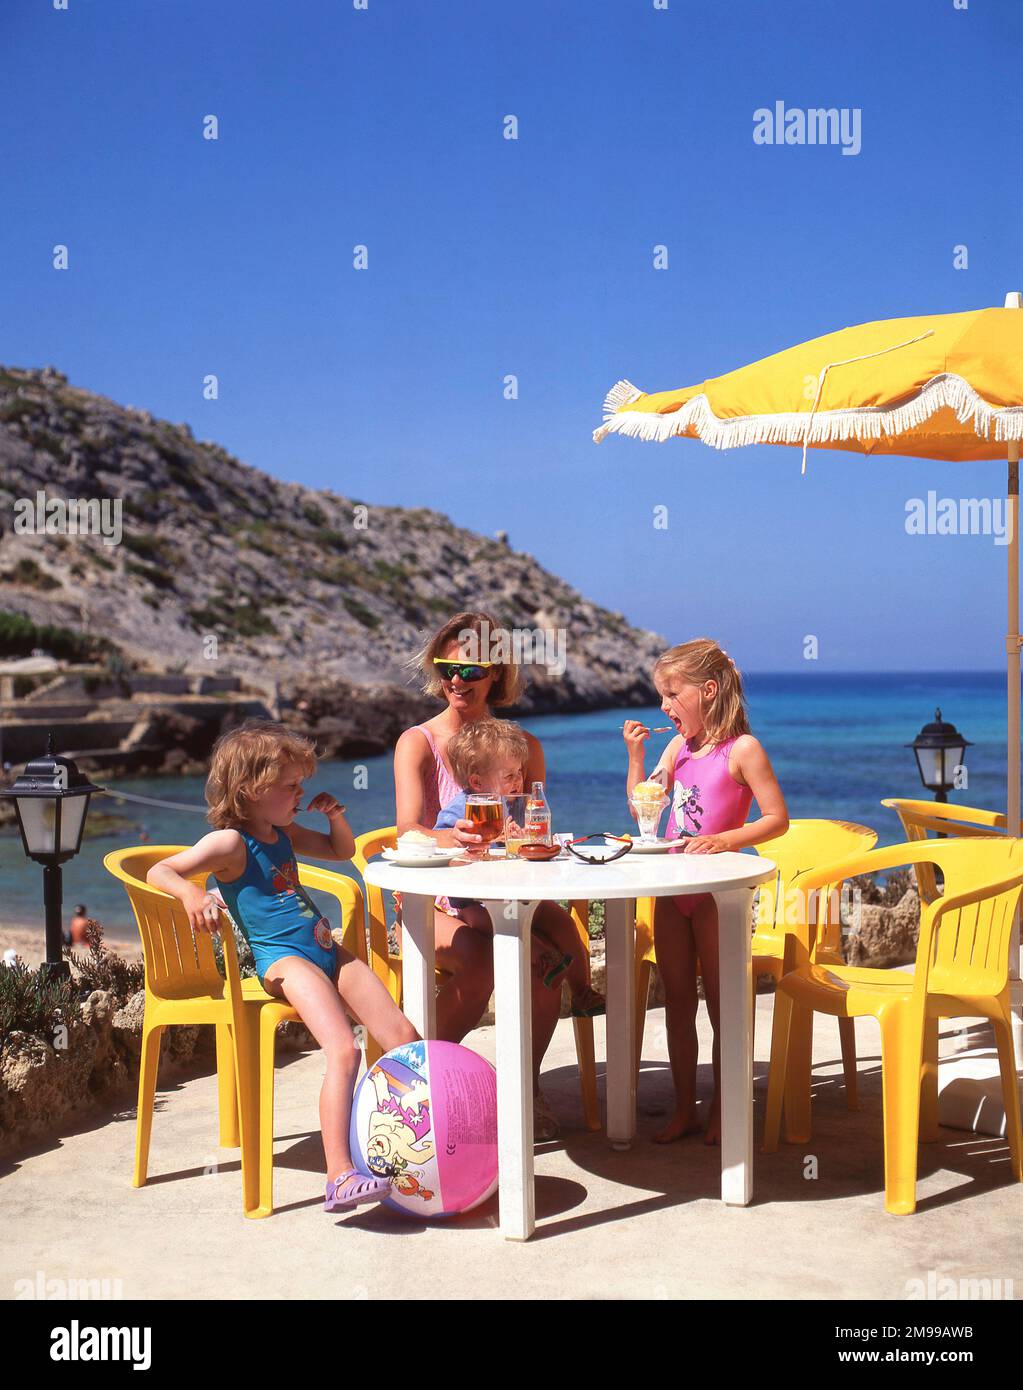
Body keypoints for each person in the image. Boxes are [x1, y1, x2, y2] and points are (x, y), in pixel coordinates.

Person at [148, 719, 418, 1213]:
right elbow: (159, 869)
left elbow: (341, 851)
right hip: (285, 962)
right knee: (343, 1050)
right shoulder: (229, 843)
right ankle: (339, 1174)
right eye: (290, 786)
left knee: (402, 1035)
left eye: (302, 785)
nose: (300, 793)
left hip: (323, 948)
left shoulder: (282, 831)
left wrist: (336, 817)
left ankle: (407, 1143)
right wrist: (191, 892)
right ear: (251, 789)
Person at [393, 610, 583, 1140]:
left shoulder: (524, 748)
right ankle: (417, 1090)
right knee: (480, 965)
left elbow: (536, 824)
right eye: (448, 667)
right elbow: (406, 828)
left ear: (496, 673)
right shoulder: (419, 742)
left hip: (504, 897)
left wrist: (528, 838)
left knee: (545, 960)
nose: (458, 680)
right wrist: (448, 837)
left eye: (472, 669)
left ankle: (523, 1089)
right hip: (433, 902)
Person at [623, 639, 788, 1146]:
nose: (664, 707)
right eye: (661, 696)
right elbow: (644, 810)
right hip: (674, 891)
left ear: (709, 691)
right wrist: (637, 758)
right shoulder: (676, 749)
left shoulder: (742, 750)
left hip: (718, 896)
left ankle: (725, 1105)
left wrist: (725, 840)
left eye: (673, 694)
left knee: (723, 1004)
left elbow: (777, 819)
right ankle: (683, 1107)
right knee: (676, 1001)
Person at [435, 718, 604, 1016]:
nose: (518, 781)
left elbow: (523, 845)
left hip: (514, 893)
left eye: (520, 772)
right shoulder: (461, 810)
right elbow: (446, 850)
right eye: (510, 775)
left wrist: (528, 837)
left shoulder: (516, 805)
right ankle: (544, 958)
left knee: (561, 921)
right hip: (470, 902)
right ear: (476, 783)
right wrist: (471, 842)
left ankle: (582, 992)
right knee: (505, 925)